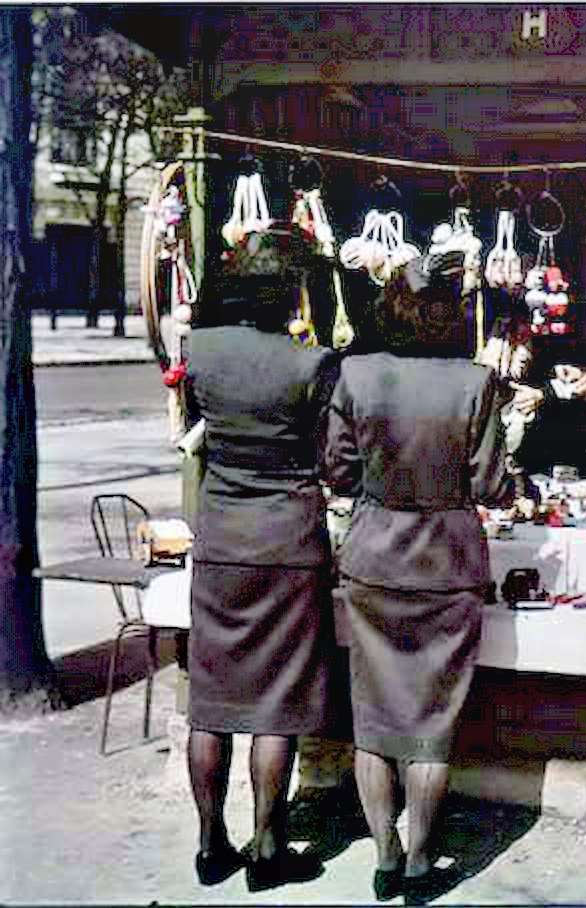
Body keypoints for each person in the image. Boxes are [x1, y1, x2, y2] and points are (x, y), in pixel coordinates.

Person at [324, 250, 509, 901]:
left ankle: (383, 854)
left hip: (376, 559)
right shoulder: (477, 380)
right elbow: (490, 484)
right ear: (449, 314)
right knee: (432, 722)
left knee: (372, 716)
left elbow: (339, 474)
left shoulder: (356, 374)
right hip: (448, 563)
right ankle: (421, 860)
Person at [184, 230, 340, 892]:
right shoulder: (312, 363)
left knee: (211, 703)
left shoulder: (199, 351)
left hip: (221, 538)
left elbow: (199, 432)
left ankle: (209, 843)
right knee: (275, 705)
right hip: (288, 540)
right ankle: (268, 844)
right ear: (289, 294)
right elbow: (333, 460)